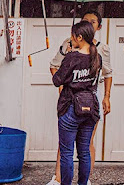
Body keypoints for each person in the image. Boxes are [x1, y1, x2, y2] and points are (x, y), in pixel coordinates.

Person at [46, 10, 113, 185]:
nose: (72, 39)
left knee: (67, 152)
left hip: (70, 107)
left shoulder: (71, 58)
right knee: (84, 151)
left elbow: (57, 80)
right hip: (90, 108)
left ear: (80, 37)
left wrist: (68, 57)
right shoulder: (96, 56)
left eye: (73, 36)